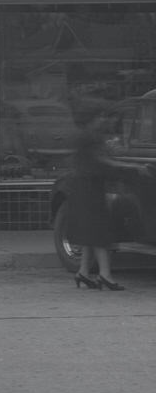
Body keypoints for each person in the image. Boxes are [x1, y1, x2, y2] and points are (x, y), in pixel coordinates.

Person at [66, 119, 124, 291]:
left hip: (84, 189)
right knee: (99, 233)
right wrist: (128, 166)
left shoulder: (84, 139)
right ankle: (105, 275)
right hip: (90, 190)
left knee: (90, 233)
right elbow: (102, 164)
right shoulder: (90, 140)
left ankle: (83, 272)